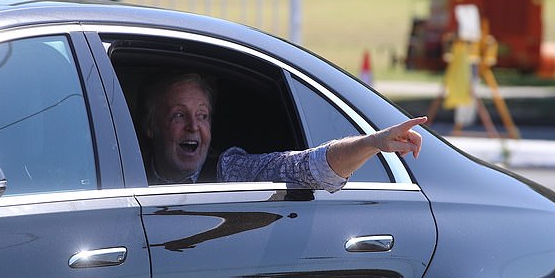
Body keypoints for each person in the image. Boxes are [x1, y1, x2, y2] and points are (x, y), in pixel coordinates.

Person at [140, 73, 424, 192]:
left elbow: (308, 168)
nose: (193, 126)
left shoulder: (228, 170)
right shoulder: (118, 166)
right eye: (178, 115)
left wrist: (372, 142)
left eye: (202, 115)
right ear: (150, 127)